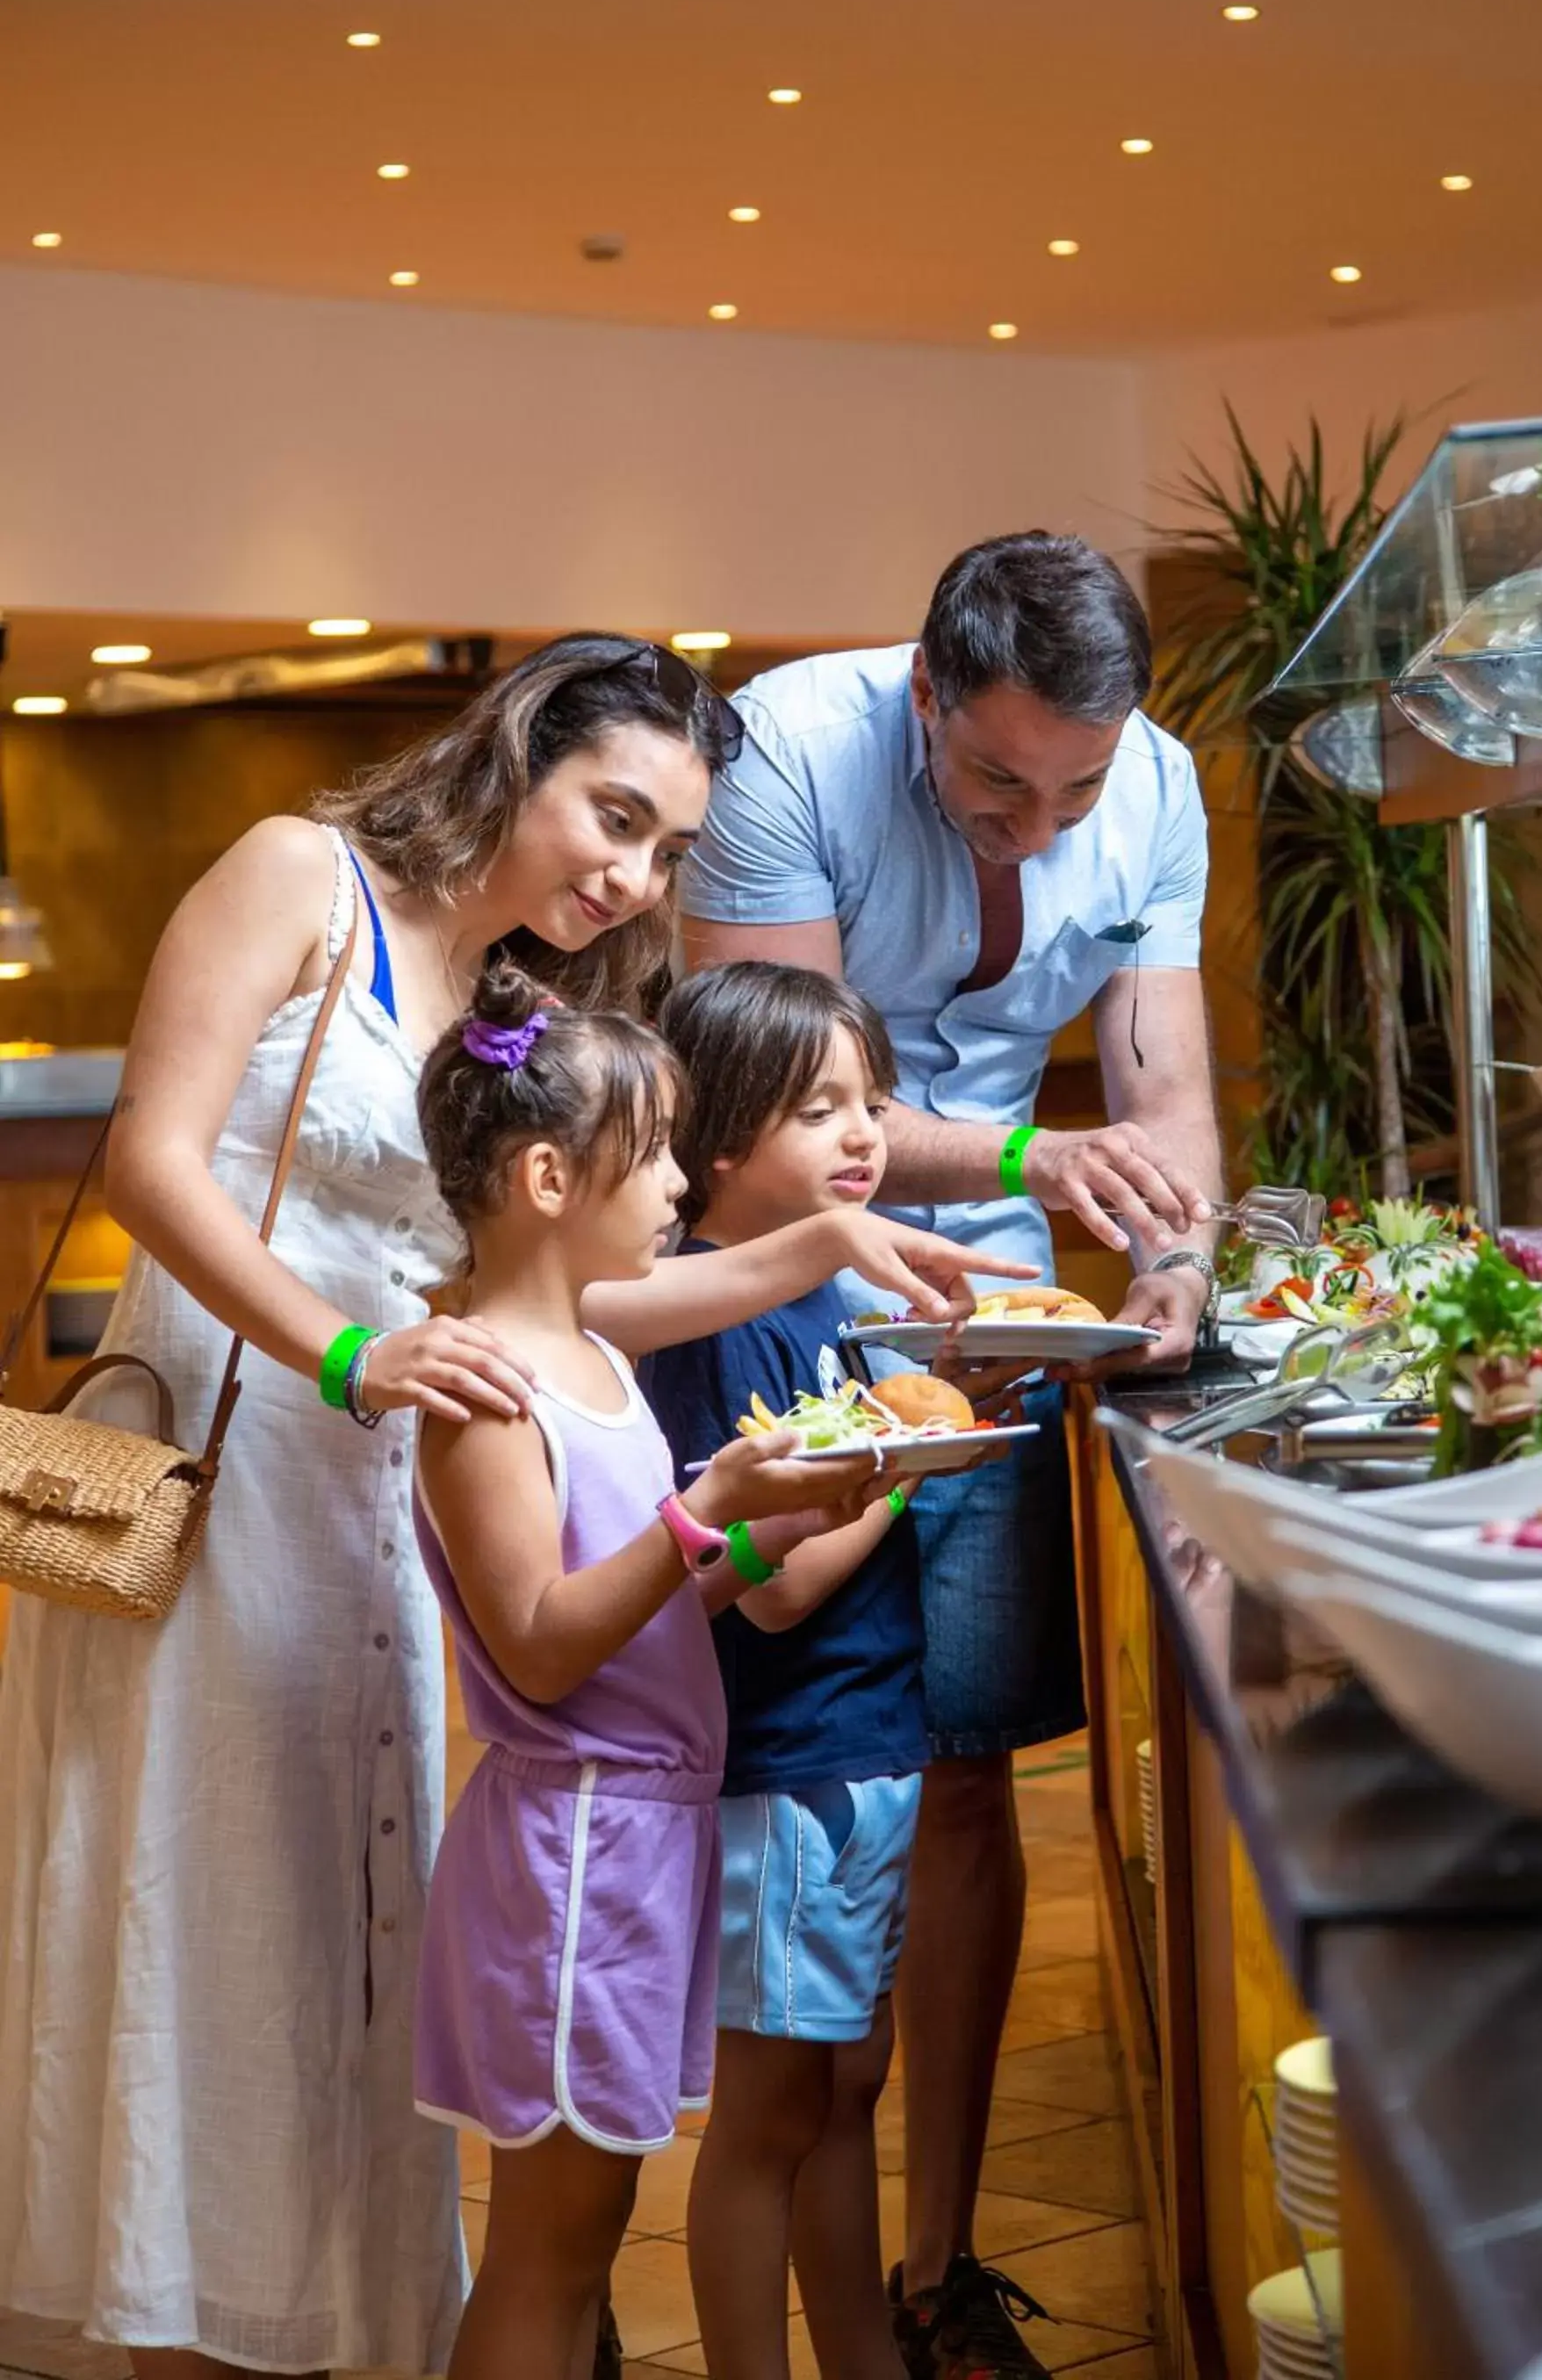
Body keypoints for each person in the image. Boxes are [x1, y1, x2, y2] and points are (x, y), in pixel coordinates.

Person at [0, 633, 1028, 2380]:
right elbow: (160, 1160)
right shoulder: (294, 876)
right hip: (233, 1482)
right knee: (205, 1903)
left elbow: (534, 1312)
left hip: (390, 1499)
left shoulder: (520, 1009)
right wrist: (342, 1357)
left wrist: (816, 1248)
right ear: (518, 755)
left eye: (666, 851)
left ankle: (303, 2320)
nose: (627, 874)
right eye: (610, 815)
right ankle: (159, 2320)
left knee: (345, 1935)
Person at [680, 534, 1224, 2377]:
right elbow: (770, 1117)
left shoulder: (1150, 786)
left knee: (975, 1775)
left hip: (1007, 1315)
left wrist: (1171, 1270)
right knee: (820, 1754)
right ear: (923, 699)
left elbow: (1163, 1095)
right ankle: (782, 2189)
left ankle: (937, 2260)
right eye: (999, 780)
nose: (1043, 821)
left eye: (1077, 785)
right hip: (797, 1287)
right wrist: (1019, 1165)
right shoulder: (780, 748)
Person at [410, 965, 886, 2380]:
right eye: (659, 1148)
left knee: (595, 2222)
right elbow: (545, 1647)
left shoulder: (594, 1352)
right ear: (552, 1175)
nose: (680, 1179)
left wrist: (757, 1534)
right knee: (550, 2248)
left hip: (634, 1841)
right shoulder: (493, 1385)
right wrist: (705, 1513)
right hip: (572, 1849)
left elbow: (654, 1602)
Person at [642, 963, 929, 2380]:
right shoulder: (704, 1319)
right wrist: (918, 1456)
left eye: (867, 1098)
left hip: (861, 1742)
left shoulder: (827, 1292)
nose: (862, 1132)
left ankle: (862, 2356)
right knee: (767, 2110)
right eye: (819, 1109)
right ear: (718, 1141)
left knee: (847, 2080)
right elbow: (773, 1584)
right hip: (788, 1769)